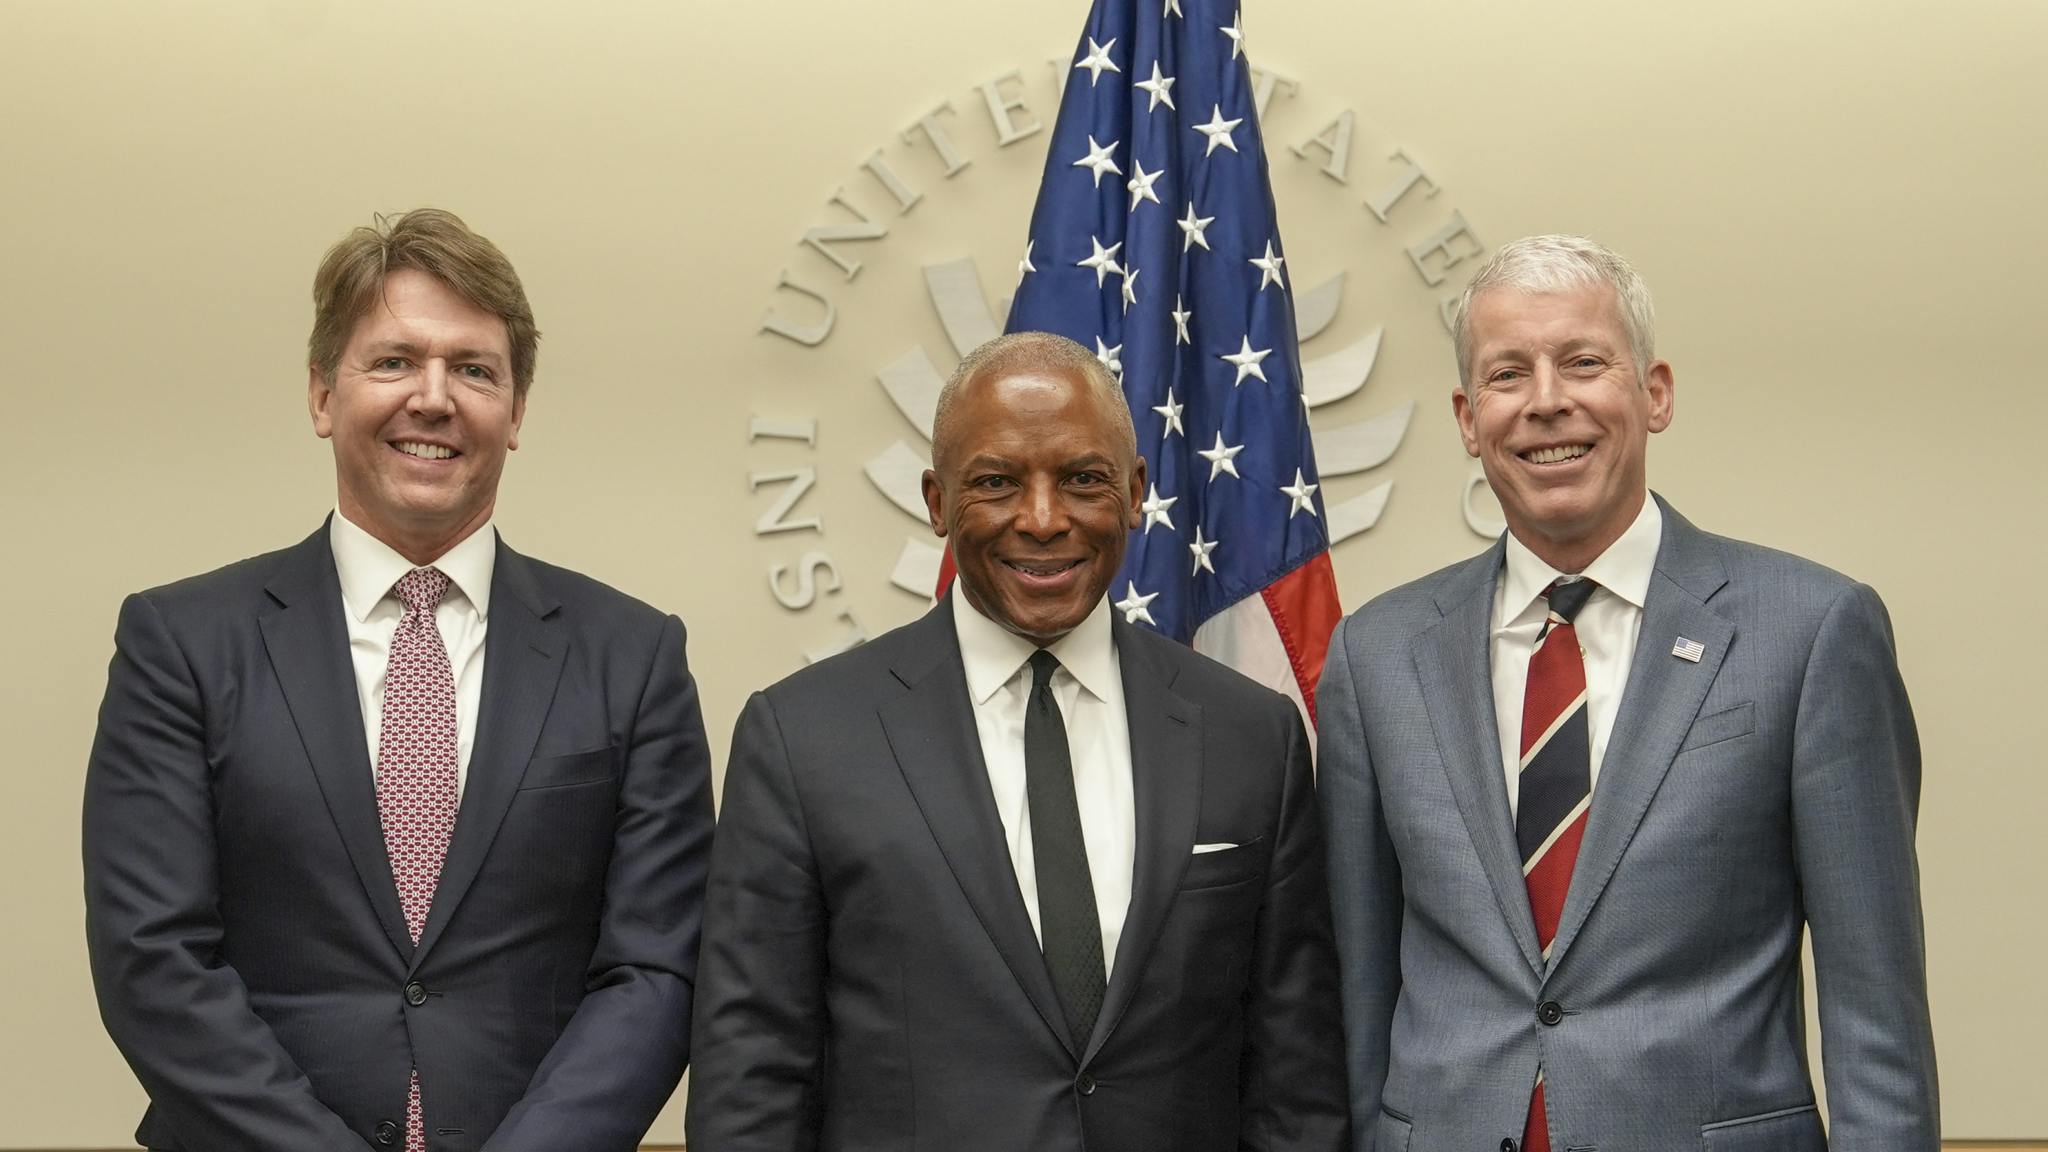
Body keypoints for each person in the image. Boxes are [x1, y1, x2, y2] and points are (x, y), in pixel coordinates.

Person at [83, 209, 714, 1152]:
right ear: (321, 395)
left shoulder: (633, 655)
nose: (434, 398)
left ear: (516, 411)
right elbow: (154, 960)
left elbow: (656, 970)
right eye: (393, 362)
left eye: (473, 369)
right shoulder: (180, 643)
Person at [1317, 234, 1939, 1151]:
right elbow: (1361, 994)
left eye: (1583, 361)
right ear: (1465, 417)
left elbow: (1876, 1016)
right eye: (1506, 374)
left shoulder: (1810, 632)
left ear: (1655, 394)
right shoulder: (1377, 654)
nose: (1546, 401)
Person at [686, 331, 1348, 1151]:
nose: (1042, 520)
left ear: (1136, 492)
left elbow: (1297, 1077)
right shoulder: (802, 739)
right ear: (936, 501)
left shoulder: (1254, 735)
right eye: (996, 483)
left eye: (1082, 480)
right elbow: (752, 1074)